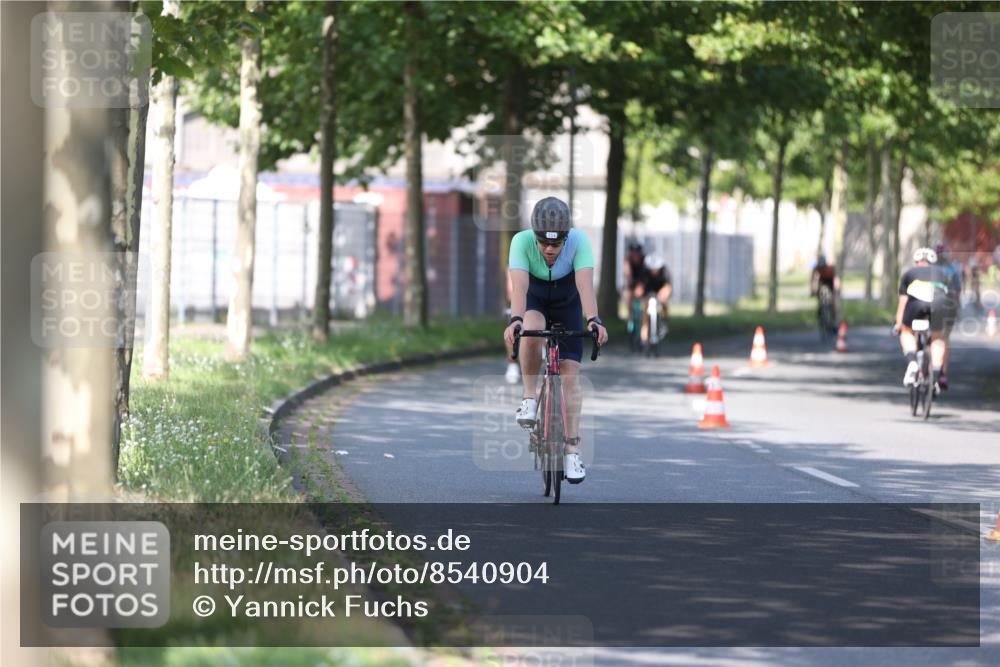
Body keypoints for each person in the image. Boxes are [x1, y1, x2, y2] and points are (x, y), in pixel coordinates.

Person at [503, 197, 608, 484]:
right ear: (534, 236)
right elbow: (520, 287)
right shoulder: (521, 242)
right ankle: (528, 398)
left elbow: (585, 285)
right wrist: (516, 319)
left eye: (556, 244)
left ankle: (572, 449)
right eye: (543, 243)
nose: (549, 250)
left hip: (568, 302)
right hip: (535, 299)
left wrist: (593, 319)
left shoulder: (580, 241)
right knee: (532, 326)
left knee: (571, 376)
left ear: (566, 237)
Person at [894, 247, 950, 389]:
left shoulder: (909, 274)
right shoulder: (942, 274)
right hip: (938, 306)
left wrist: (899, 324)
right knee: (937, 338)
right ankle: (937, 373)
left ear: (916, 261)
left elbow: (903, 303)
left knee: (906, 332)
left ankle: (912, 361)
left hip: (915, 306)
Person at [934, 244, 962, 390]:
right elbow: (957, 293)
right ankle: (943, 373)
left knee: (929, 338)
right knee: (945, 339)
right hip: (948, 307)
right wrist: (958, 309)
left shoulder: (930, 269)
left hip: (929, 306)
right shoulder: (953, 270)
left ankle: (922, 370)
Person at [636, 254, 672, 346]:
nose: (654, 271)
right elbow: (640, 286)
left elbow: (668, 286)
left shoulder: (664, 272)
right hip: (648, 292)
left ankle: (665, 320)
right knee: (645, 312)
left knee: (664, 302)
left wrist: (663, 293)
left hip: (659, 291)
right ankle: (644, 338)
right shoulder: (644, 271)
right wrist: (639, 291)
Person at [810, 255, 840, 330]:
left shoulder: (830, 268)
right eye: (820, 267)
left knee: (833, 302)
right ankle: (820, 311)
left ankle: (833, 321)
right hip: (822, 282)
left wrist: (836, 290)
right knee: (820, 296)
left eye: (823, 267)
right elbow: (813, 280)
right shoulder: (816, 268)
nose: (822, 268)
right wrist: (813, 291)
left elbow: (836, 278)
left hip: (831, 283)